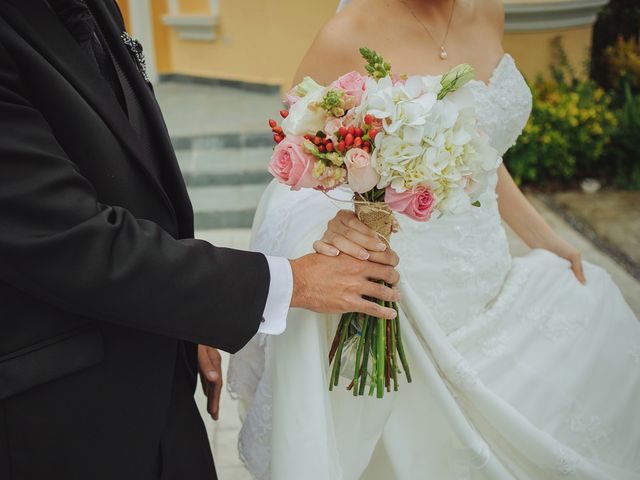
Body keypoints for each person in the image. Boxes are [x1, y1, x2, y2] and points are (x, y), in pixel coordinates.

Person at [229, 0, 640, 478]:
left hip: (490, 270)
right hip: (409, 290)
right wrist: (341, 219)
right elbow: (297, 160)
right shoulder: (348, 33)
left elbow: (483, 157)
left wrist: (545, 238)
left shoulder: (489, 11)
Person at [0, 1, 401, 479]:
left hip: (159, 364)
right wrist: (290, 282)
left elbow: (131, 173)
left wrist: (185, 319)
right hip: (65, 414)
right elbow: (72, 239)